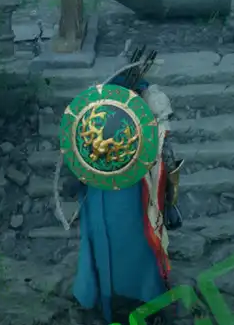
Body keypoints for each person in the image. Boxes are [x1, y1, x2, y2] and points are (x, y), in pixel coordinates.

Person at [67, 48, 183, 324]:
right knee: (117, 247)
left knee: (136, 246)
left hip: (130, 187)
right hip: (108, 186)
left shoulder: (147, 100)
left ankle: (136, 302)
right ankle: (119, 303)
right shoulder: (99, 106)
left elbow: (162, 147)